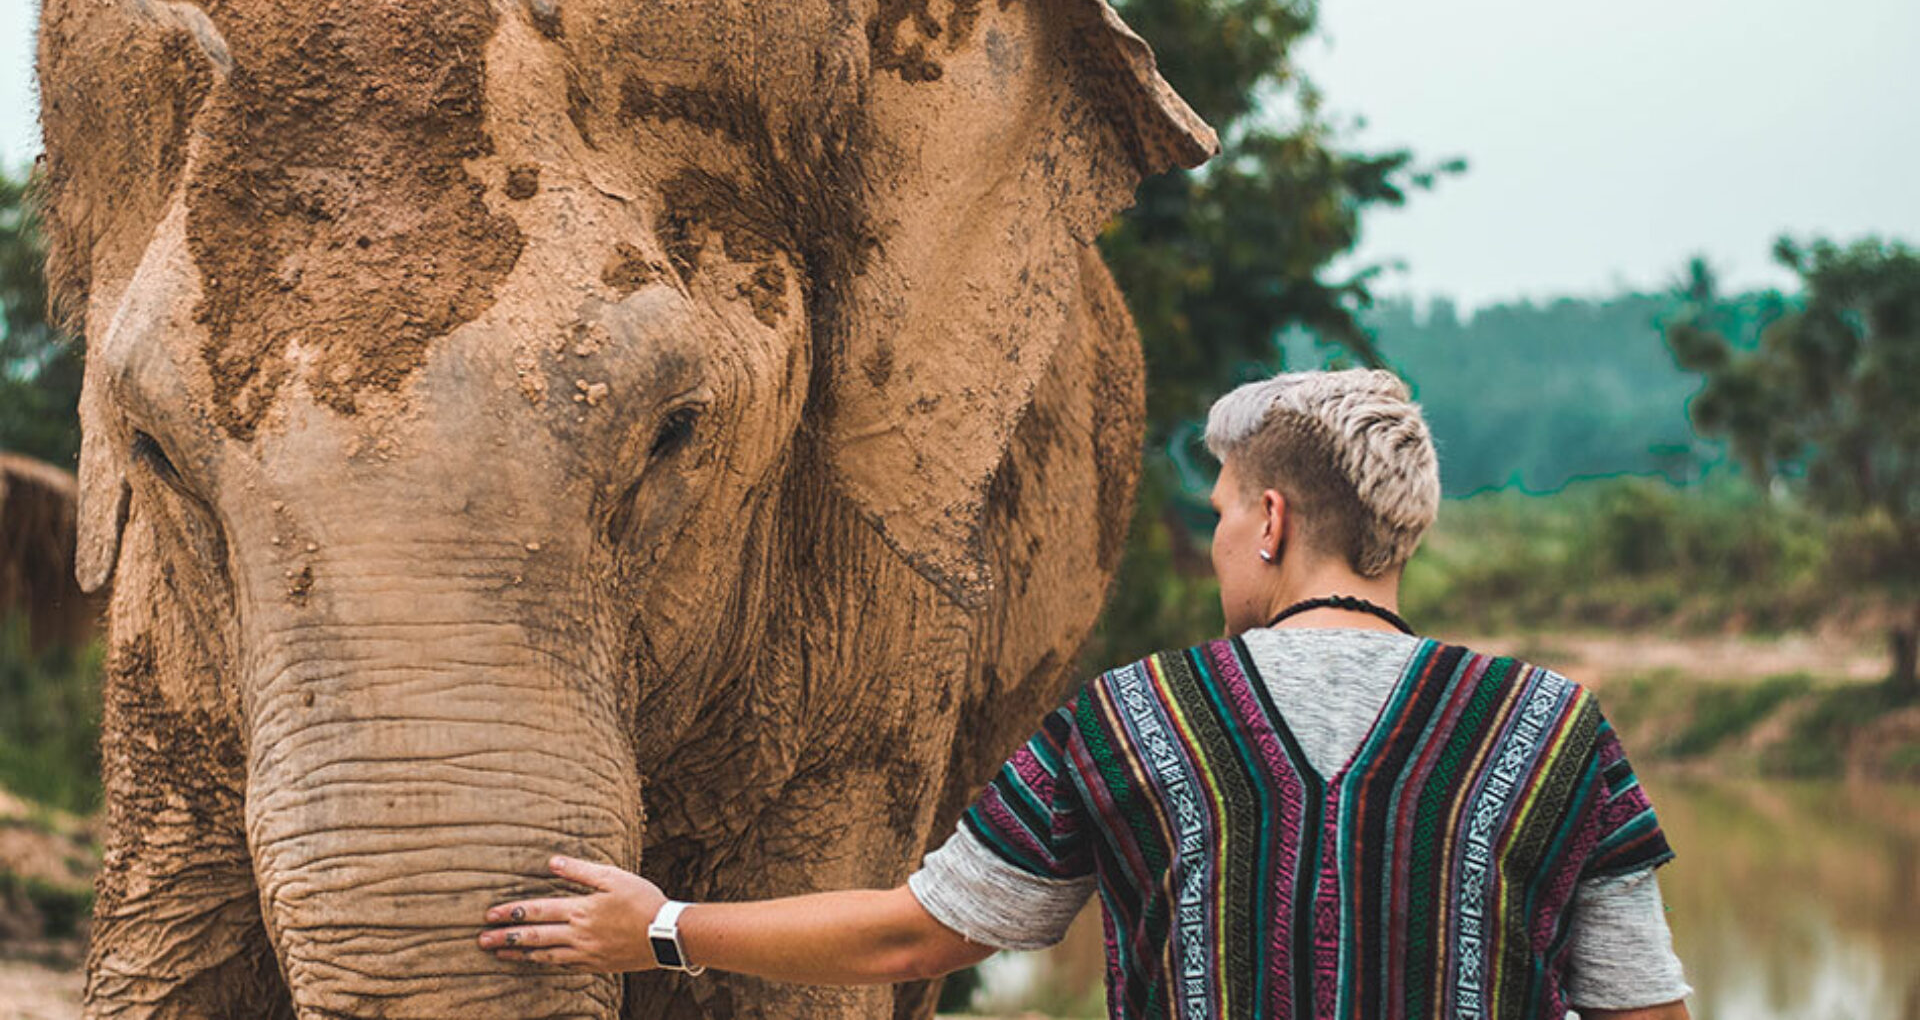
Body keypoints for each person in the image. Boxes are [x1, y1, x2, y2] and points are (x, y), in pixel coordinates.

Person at [477, 370, 1692, 1019]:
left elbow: (917, 931)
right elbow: (1645, 1013)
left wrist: (662, 925)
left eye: (1221, 512)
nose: (1218, 540)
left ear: (1269, 520)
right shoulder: (1553, 731)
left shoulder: (1135, 718)